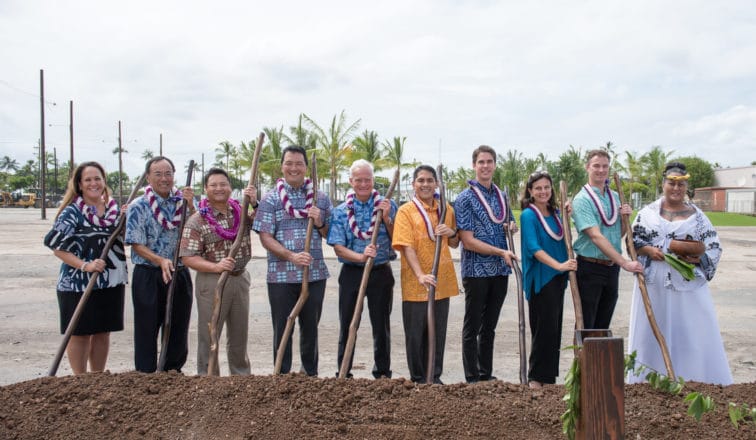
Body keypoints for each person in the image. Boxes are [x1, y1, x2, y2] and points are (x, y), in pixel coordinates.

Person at [627, 162, 732, 385]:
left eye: (681, 185)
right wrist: (647, 250)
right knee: (652, 333)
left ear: (686, 187)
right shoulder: (647, 214)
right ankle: (648, 380)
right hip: (654, 286)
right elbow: (631, 240)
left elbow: (713, 248)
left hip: (687, 287)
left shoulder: (698, 217)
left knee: (690, 333)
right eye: (671, 183)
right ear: (663, 184)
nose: (676, 189)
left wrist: (695, 258)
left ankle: (693, 379)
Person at [252, 145, 332, 376]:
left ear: (306, 167)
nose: (294, 168)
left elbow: (330, 235)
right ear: (282, 166)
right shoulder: (271, 198)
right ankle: (281, 375)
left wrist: (318, 222)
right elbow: (265, 236)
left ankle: (309, 375)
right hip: (280, 277)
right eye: (289, 163)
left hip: (314, 274)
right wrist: (291, 256)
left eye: (299, 163)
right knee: (282, 327)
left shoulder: (320, 198)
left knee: (310, 329)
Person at [43, 161, 128, 374]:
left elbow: (124, 239)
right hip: (78, 283)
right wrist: (85, 265)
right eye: (88, 180)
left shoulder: (113, 211)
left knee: (102, 332)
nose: (93, 183)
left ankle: (97, 378)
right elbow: (56, 247)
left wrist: (127, 219)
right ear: (79, 185)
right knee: (80, 333)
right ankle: (81, 380)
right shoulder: (72, 212)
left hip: (110, 281)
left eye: (97, 178)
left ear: (104, 182)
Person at [180, 168, 257, 375]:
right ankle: (209, 379)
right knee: (210, 334)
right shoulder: (197, 220)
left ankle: (241, 378)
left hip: (239, 278)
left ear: (231, 187)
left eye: (223, 184)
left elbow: (261, 223)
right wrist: (216, 266)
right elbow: (188, 256)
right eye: (213, 185)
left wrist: (255, 202)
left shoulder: (240, 213)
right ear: (205, 189)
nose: (219, 188)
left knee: (240, 334)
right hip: (211, 280)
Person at [327, 159, 396, 379]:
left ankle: (383, 373)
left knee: (381, 325)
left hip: (380, 272)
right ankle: (344, 372)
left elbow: (398, 241)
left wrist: (386, 219)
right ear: (351, 181)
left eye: (368, 179)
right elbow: (338, 247)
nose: (364, 184)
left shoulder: (388, 205)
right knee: (348, 323)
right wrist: (360, 256)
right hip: (351, 273)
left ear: (373, 180)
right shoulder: (340, 211)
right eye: (359, 180)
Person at [125, 156, 195, 373]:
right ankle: (146, 374)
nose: (164, 179)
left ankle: (172, 370)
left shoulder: (182, 202)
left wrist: (191, 205)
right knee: (147, 326)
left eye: (168, 174)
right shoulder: (139, 206)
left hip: (179, 271)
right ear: (148, 177)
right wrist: (159, 260)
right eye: (158, 174)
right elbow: (136, 244)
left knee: (178, 324)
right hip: (149, 273)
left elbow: (197, 226)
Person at [454, 145, 517, 383]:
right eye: (481, 162)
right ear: (474, 165)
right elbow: (468, 241)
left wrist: (511, 227)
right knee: (473, 326)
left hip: (500, 269)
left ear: (495, 165)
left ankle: (485, 373)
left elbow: (508, 222)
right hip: (477, 270)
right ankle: (472, 376)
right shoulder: (465, 198)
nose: (486, 166)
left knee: (489, 326)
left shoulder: (501, 196)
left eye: (490, 162)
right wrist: (500, 251)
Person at [393, 165, 459, 384]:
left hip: (442, 281)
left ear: (436, 184)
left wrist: (451, 232)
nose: (425, 184)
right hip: (416, 284)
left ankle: (435, 376)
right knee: (415, 334)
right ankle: (419, 378)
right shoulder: (406, 211)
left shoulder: (445, 208)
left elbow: (455, 242)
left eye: (430, 180)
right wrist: (421, 275)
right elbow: (405, 246)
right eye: (421, 180)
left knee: (438, 332)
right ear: (413, 185)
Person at [571, 149, 643, 330]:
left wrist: (626, 219)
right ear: (587, 167)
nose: (601, 170)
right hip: (590, 268)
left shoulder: (615, 197)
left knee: (603, 324)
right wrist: (625, 263)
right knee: (586, 325)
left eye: (605, 166)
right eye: (596, 166)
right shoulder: (582, 199)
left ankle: (599, 359)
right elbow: (595, 236)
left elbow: (616, 234)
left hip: (611, 269)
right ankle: (582, 359)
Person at [519, 171, 577, 388]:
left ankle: (548, 378)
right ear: (530, 192)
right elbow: (534, 248)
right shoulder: (529, 215)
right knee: (542, 330)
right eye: (538, 188)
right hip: (542, 279)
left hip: (557, 280)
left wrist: (567, 214)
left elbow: (562, 237)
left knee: (553, 330)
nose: (543, 191)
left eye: (546, 187)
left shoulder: (555, 213)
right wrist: (559, 265)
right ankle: (536, 378)